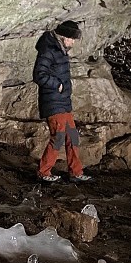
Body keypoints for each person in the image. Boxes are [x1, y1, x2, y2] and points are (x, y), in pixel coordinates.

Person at [32, 20, 93, 183]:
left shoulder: (60, 50)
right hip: (53, 102)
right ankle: (43, 172)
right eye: (72, 39)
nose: (73, 42)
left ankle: (76, 172)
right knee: (58, 137)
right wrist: (57, 85)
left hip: (63, 102)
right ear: (63, 36)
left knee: (72, 137)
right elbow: (39, 74)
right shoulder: (48, 50)